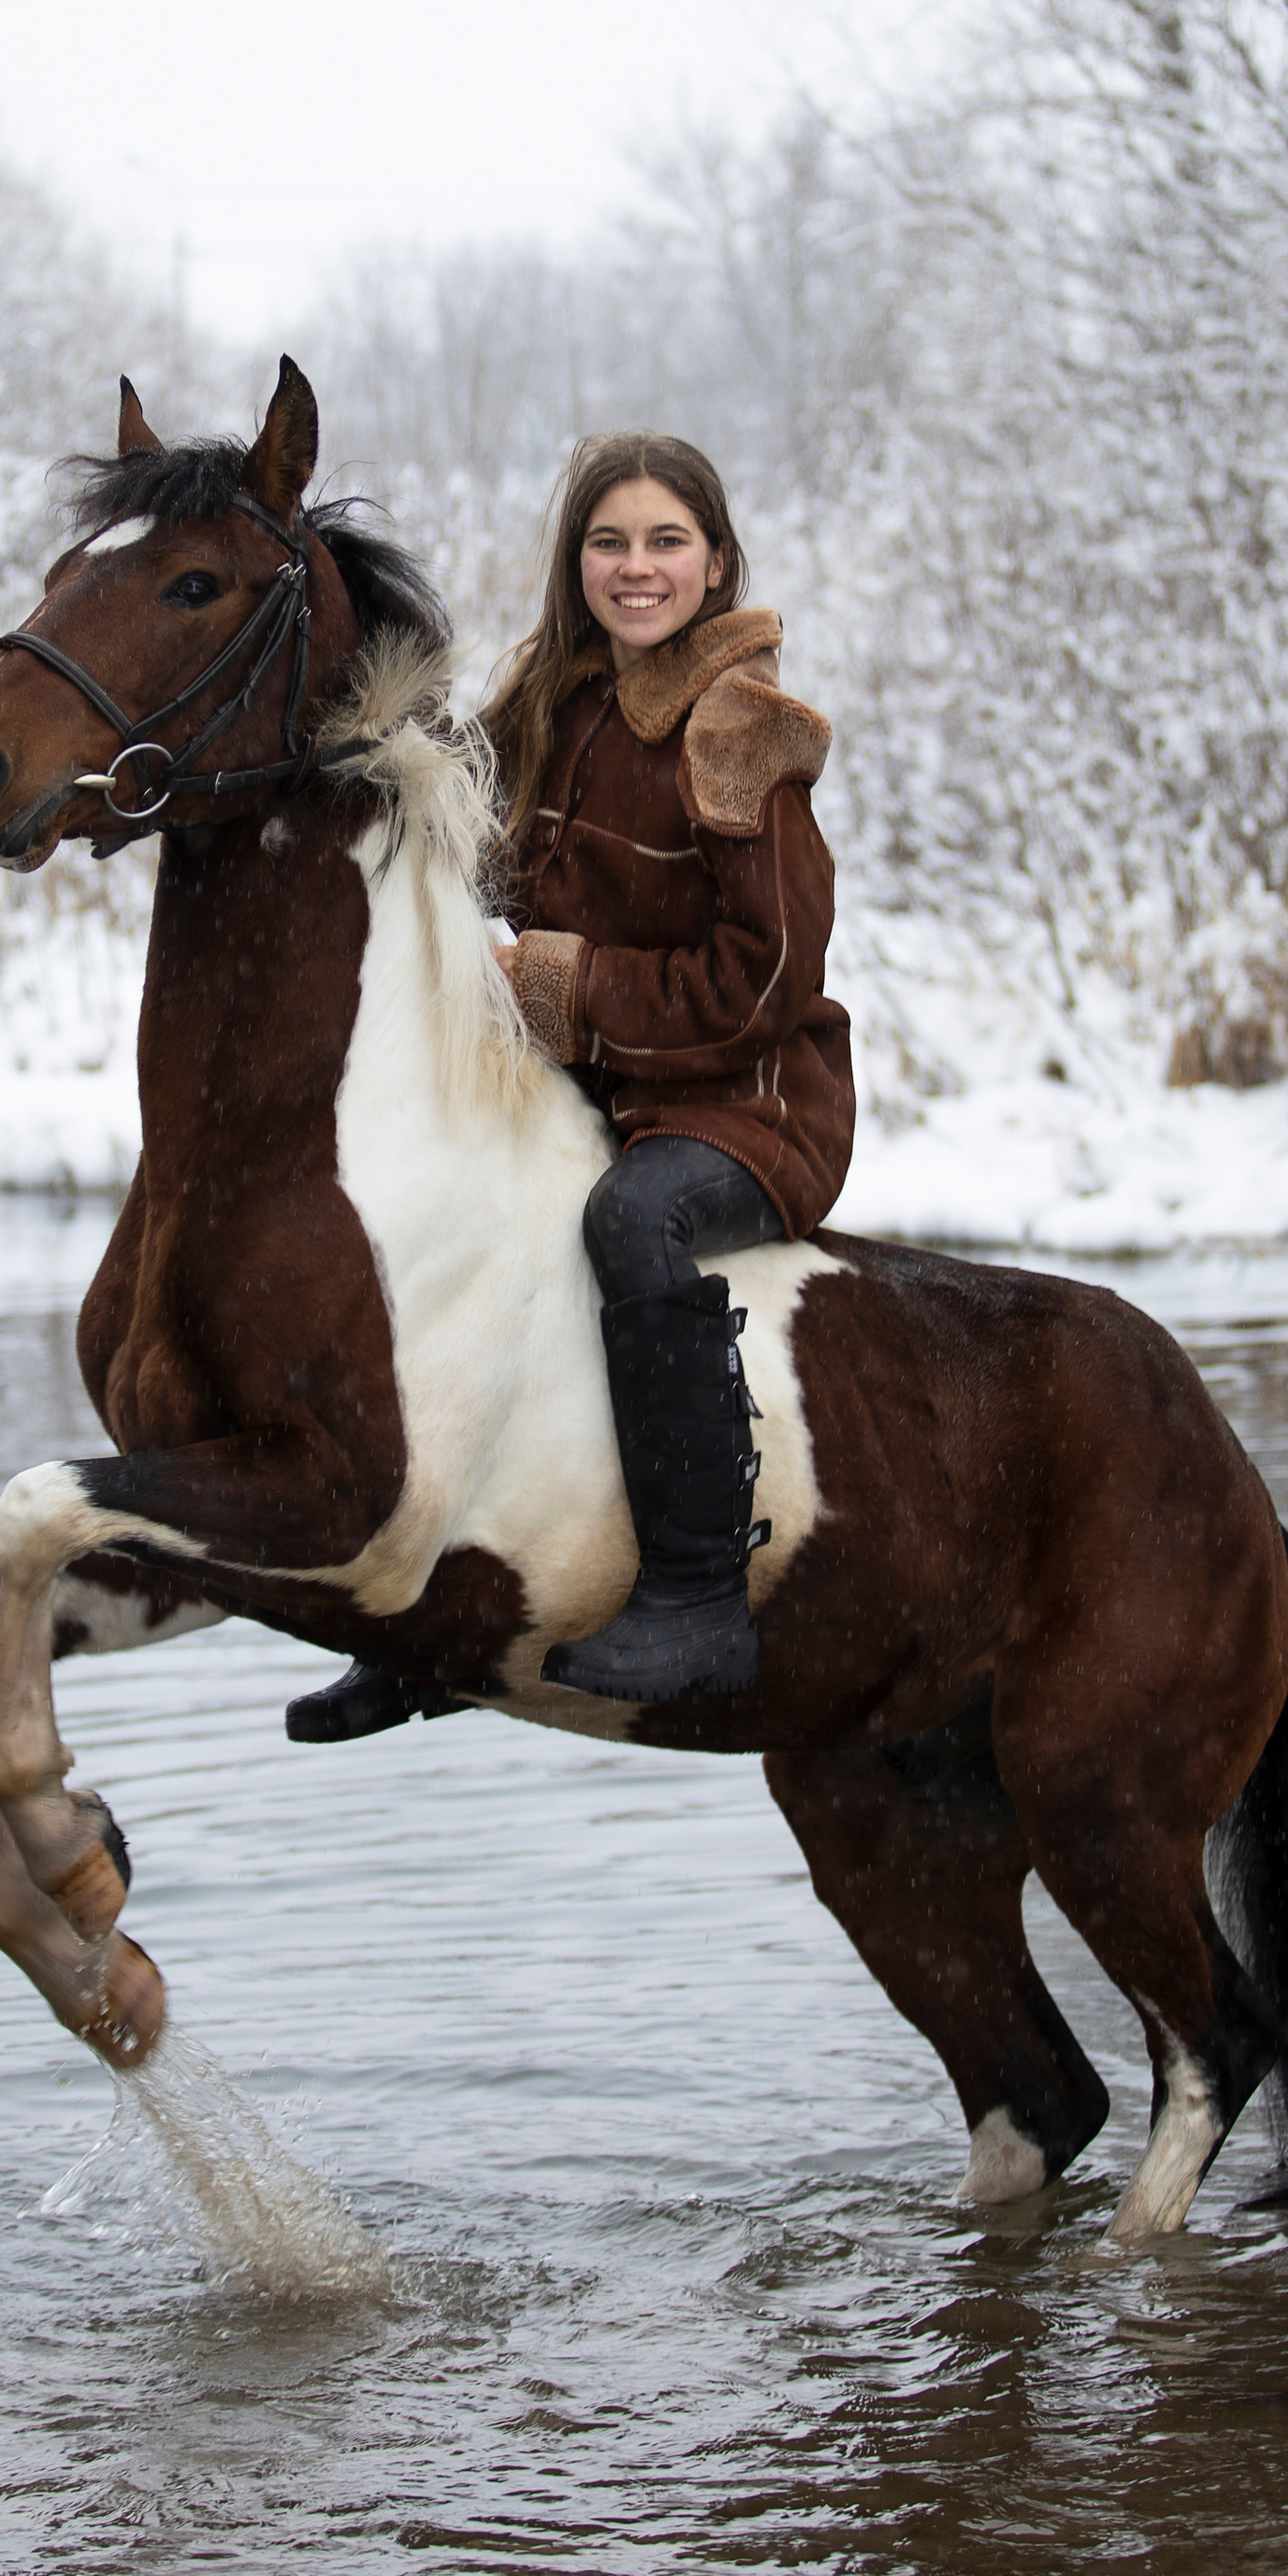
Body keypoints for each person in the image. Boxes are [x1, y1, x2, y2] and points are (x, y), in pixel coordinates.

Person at [288, 433, 854, 1738]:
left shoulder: (741, 729)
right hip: (600, 1094)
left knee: (627, 1224)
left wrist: (565, 990)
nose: (637, 567)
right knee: (434, 1219)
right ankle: (426, 1617)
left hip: (751, 1104)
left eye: (666, 541)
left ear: (715, 562)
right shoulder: (556, 692)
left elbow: (761, 983)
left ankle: (701, 1597)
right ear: (576, 561)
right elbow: (458, 833)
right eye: (610, 541)